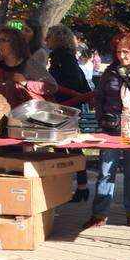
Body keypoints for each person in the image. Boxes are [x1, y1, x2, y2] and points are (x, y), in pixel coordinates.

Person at [85, 32, 130, 229]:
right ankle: (99, 214)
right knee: (105, 171)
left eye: (126, 52)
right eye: (119, 52)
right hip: (112, 127)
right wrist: (102, 118)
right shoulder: (109, 73)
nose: (122, 56)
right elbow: (99, 97)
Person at [46, 24, 93, 201]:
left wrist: (56, 90)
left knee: (67, 146)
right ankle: (79, 185)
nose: (46, 40)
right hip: (65, 104)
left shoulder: (64, 57)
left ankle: (77, 186)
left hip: (65, 106)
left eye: (49, 37)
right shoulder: (62, 56)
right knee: (65, 146)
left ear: (58, 39)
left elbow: (73, 80)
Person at [0, 26, 57, 106]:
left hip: (24, 113)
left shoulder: (29, 65)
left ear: (15, 43)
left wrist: (27, 83)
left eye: (3, 40)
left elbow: (52, 86)